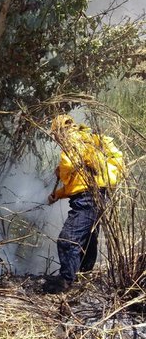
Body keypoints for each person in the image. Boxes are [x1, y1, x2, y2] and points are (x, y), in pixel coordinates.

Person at [44, 114, 124, 294]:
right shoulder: (87, 140)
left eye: (55, 134)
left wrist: (61, 172)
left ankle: (65, 282)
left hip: (88, 196)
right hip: (96, 193)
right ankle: (83, 278)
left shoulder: (71, 138)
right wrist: (58, 194)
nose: (56, 139)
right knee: (87, 239)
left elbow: (70, 167)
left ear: (58, 131)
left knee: (67, 239)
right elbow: (79, 184)